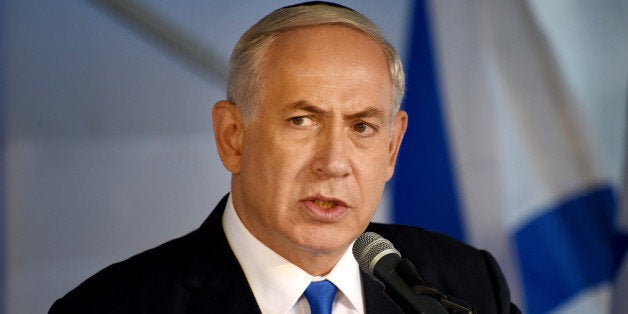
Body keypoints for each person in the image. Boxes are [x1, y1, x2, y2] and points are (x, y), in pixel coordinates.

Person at [50, 2, 519, 313]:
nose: (333, 162)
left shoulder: (467, 285)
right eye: (302, 120)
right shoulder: (112, 306)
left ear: (392, 148)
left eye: (361, 127)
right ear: (233, 137)